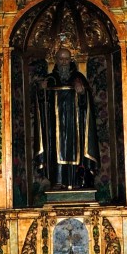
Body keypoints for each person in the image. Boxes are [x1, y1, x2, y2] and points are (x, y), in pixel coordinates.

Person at [34, 46, 99, 190]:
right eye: (61, 59)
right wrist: (41, 91)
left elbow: (87, 104)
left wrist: (82, 92)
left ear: (71, 60)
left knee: (76, 150)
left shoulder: (79, 78)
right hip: (55, 126)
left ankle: (78, 181)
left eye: (66, 59)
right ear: (56, 61)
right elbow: (42, 105)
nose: (64, 62)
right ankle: (57, 181)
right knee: (57, 150)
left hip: (75, 125)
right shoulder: (50, 80)